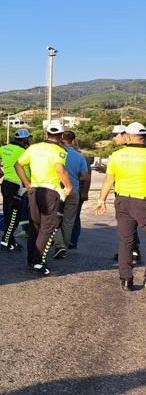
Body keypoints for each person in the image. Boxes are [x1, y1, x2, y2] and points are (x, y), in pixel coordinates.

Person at [15, 121, 73, 276]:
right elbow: (60, 169)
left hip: (34, 190)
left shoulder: (33, 148)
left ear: (46, 134)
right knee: (47, 228)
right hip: (50, 192)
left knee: (35, 226)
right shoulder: (60, 151)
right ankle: (38, 262)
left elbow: (18, 165)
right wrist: (69, 187)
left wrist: (27, 183)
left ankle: (31, 259)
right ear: (61, 136)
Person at [95, 122, 146, 290]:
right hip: (143, 201)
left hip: (123, 201)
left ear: (129, 136)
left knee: (126, 241)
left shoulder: (117, 155)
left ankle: (126, 278)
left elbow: (109, 180)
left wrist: (101, 200)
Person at [52, 131, 90, 258]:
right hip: (73, 190)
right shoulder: (79, 156)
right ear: (73, 141)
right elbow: (85, 176)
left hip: (56, 190)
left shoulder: (54, 153)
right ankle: (65, 246)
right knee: (69, 221)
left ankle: (58, 244)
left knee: (52, 218)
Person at [0, 128, 31, 251]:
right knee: (15, 215)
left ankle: (11, 241)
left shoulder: (5, 148)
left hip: (6, 184)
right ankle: (5, 240)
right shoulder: (23, 151)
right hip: (18, 185)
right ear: (25, 139)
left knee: (8, 213)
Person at [109, 125, 141, 264]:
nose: (114, 138)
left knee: (128, 229)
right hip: (124, 193)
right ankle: (133, 250)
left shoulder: (123, 153)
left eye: (115, 135)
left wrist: (101, 200)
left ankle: (131, 252)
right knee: (129, 227)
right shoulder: (122, 152)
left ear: (125, 135)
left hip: (130, 195)